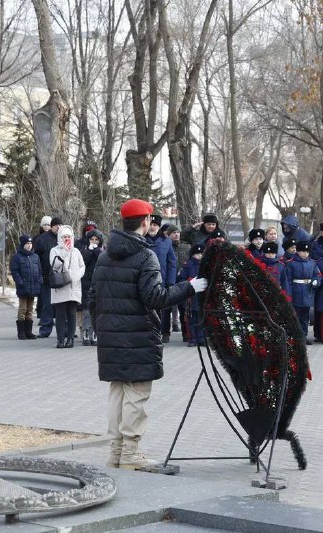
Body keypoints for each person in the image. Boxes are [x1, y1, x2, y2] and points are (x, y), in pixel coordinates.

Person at [88, 198, 208, 470]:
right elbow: (155, 297)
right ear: (145, 222)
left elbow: (93, 298)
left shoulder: (106, 255)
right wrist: (190, 287)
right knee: (136, 395)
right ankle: (130, 454)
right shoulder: (145, 255)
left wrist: (102, 329)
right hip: (138, 337)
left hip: (110, 337)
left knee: (117, 393)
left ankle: (116, 452)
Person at [50, 225, 85, 349]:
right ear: (60, 237)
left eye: (69, 236)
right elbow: (55, 266)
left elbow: (82, 266)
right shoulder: (55, 250)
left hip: (73, 287)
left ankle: (70, 338)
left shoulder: (76, 251)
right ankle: (60, 339)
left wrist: (78, 275)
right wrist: (64, 251)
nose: (66, 239)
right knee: (60, 315)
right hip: (60, 287)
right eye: (64, 236)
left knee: (72, 314)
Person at [282, 240, 320, 344]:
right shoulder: (291, 263)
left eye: (307, 252)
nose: (305, 253)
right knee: (296, 316)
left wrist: (316, 281)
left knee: (305, 316)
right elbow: (288, 281)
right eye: (303, 251)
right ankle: (296, 336)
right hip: (296, 291)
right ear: (298, 252)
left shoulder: (312, 263)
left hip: (308, 291)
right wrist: (288, 295)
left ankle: (304, 335)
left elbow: (317, 274)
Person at [149, 219, 177, 343]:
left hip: (163, 279)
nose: (152, 227)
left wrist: (171, 280)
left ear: (159, 227)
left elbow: (172, 262)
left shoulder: (166, 241)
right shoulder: (141, 239)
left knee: (164, 308)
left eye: (155, 225)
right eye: (151, 224)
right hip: (146, 280)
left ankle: (165, 331)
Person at [9, 235, 41, 340]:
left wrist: (40, 280)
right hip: (23, 287)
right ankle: (21, 332)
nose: (29, 246)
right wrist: (20, 281)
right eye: (27, 244)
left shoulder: (35, 256)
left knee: (30, 309)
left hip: (33, 286)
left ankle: (29, 331)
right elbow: (14, 271)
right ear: (23, 245)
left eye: (30, 244)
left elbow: (39, 270)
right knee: (23, 309)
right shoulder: (17, 257)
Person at [34, 217, 61, 337]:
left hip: (62, 278)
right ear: (52, 226)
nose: (58, 227)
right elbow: (36, 258)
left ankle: (65, 329)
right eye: (56, 225)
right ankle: (45, 329)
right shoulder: (42, 239)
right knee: (47, 305)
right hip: (47, 277)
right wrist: (39, 274)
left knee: (62, 305)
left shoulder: (65, 238)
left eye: (60, 225)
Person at [79, 229, 104, 345]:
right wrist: (89, 251)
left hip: (98, 282)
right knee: (86, 310)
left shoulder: (102, 251)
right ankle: (86, 332)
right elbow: (83, 261)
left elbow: (102, 260)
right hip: (86, 283)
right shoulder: (84, 250)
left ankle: (95, 332)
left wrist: (96, 251)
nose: (94, 242)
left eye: (96, 240)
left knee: (97, 310)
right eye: (92, 239)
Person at [179, 244, 206, 347]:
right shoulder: (188, 265)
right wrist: (188, 281)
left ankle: (201, 338)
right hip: (191, 296)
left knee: (200, 318)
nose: (199, 256)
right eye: (197, 254)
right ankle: (192, 339)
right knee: (191, 319)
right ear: (192, 255)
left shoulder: (205, 265)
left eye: (201, 254)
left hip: (201, 295)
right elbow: (181, 279)